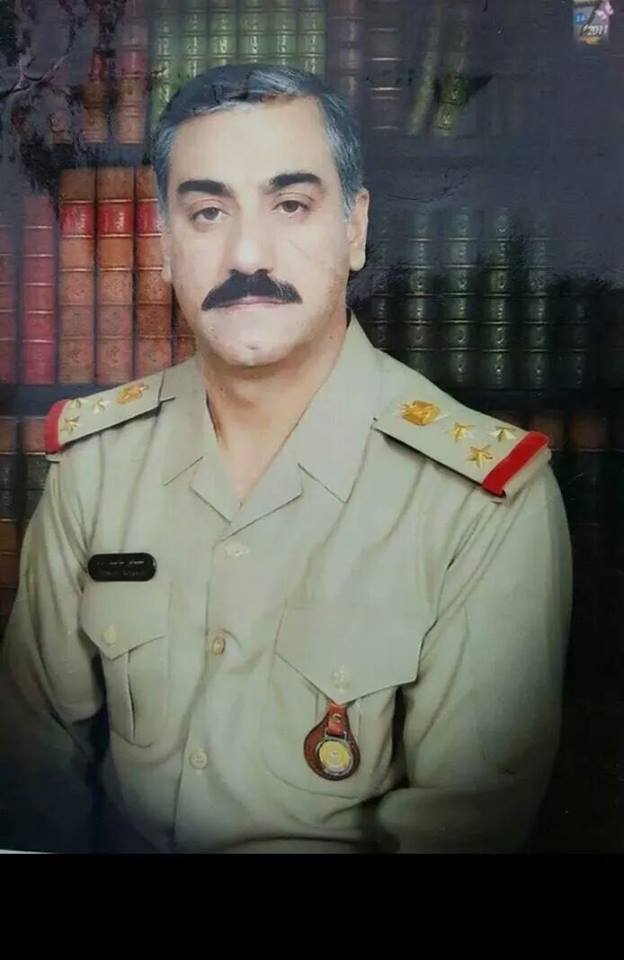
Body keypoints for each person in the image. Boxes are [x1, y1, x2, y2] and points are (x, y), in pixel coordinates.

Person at [0, 65, 572, 854]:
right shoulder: (98, 463)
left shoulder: (478, 503)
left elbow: (462, 828)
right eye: (207, 212)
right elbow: (30, 775)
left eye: (292, 205)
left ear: (355, 229)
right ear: (164, 244)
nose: (247, 254)